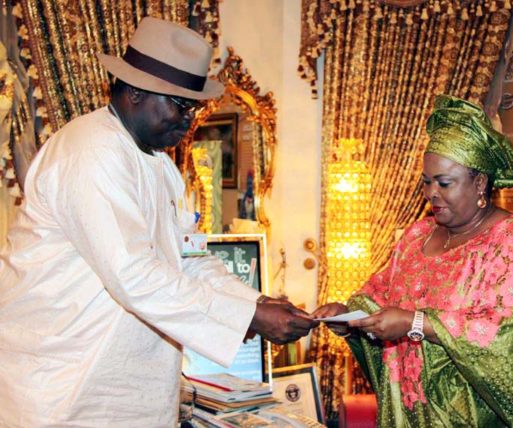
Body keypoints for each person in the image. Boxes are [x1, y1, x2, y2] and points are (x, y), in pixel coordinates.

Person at [0, 17, 316, 427]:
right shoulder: (91, 151)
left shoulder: (159, 165)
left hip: (126, 392)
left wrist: (252, 302)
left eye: (194, 106)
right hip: (64, 388)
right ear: (134, 92)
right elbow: (134, 274)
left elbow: (189, 258)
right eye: (180, 105)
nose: (189, 119)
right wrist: (249, 318)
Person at [313, 95, 513, 427]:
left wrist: (418, 323)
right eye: (426, 182)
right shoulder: (416, 236)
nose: (431, 193)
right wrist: (348, 318)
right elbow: (380, 296)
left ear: (480, 182)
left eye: (444, 183)